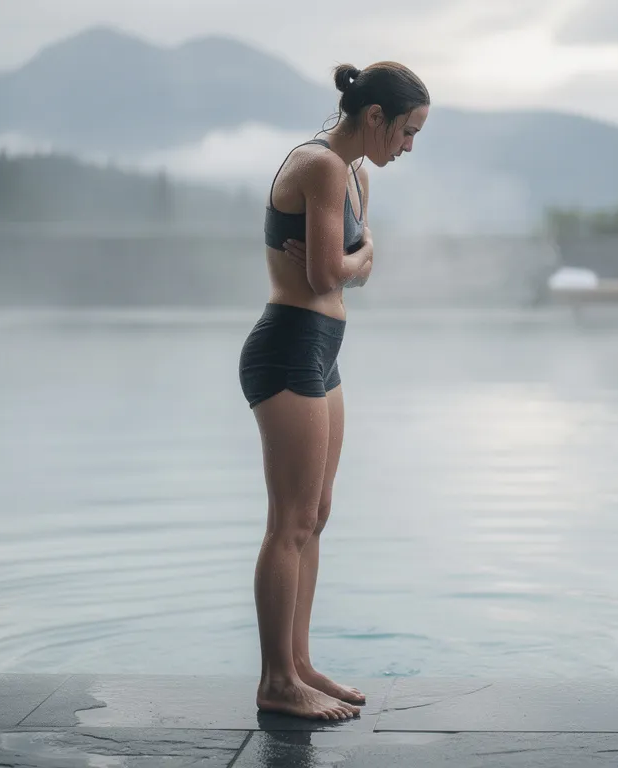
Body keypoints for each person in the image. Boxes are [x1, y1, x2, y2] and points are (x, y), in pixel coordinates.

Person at [238, 61, 429, 721]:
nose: (407, 146)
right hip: (288, 347)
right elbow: (328, 276)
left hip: (324, 351)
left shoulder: (355, 175)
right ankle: (275, 679)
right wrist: (358, 259)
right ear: (373, 117)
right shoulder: (318, 166)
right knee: (289, 522)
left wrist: (356, 260)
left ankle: (300, 663)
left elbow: (350, 268)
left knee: (316, 514)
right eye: (406, 131)